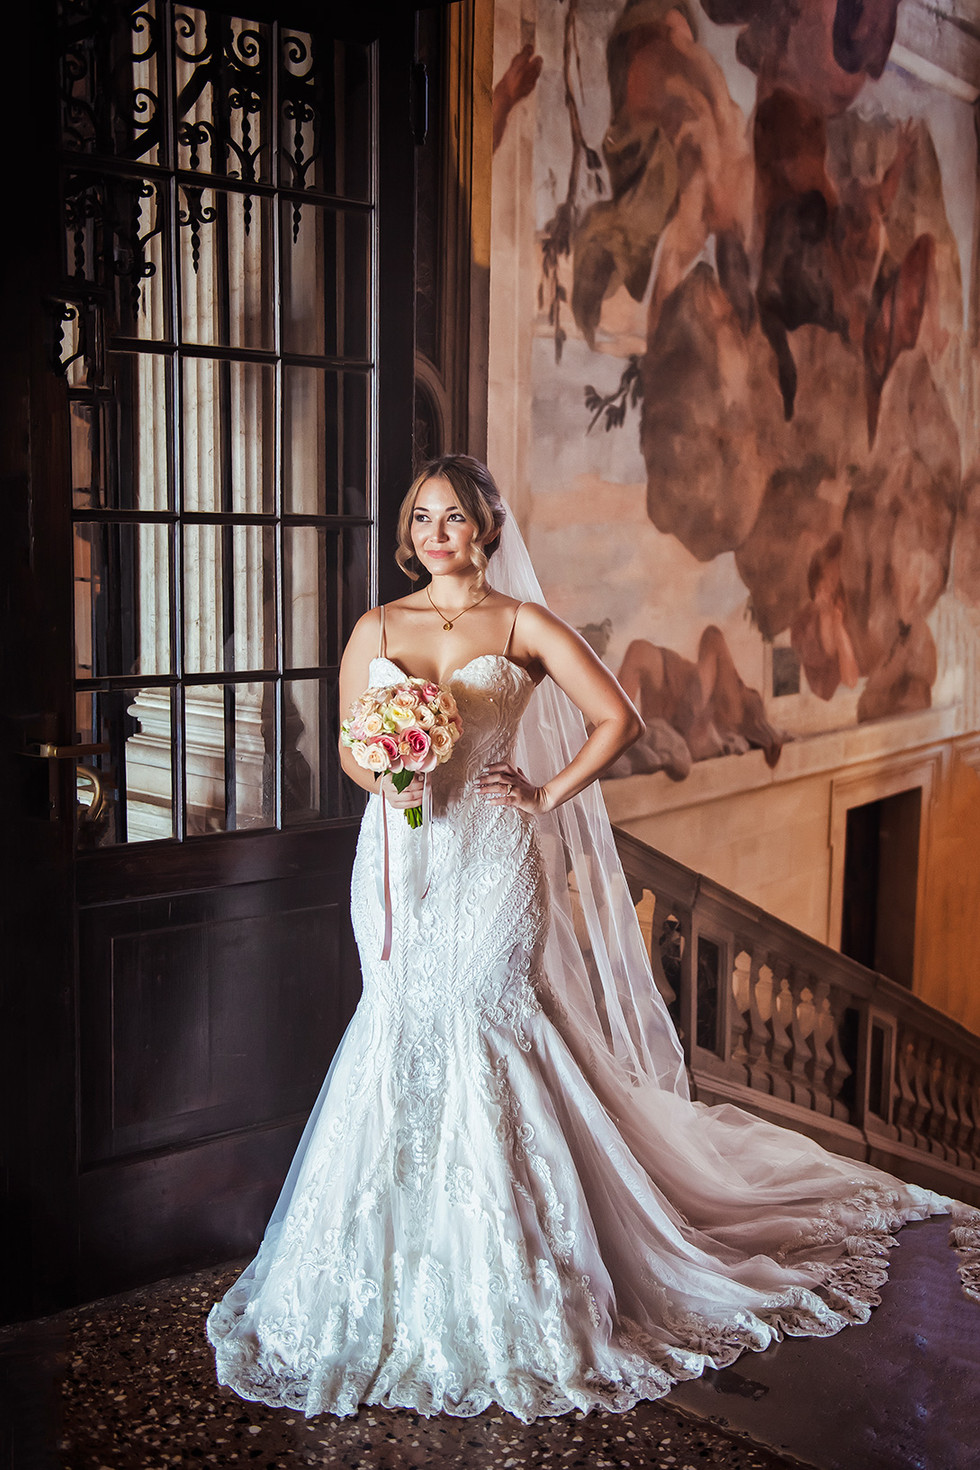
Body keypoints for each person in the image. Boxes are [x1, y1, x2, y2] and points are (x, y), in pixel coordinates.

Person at [207, 455, 971, 1422]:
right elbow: (359, 750)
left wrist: (541, 794)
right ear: (411, 532)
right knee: (399, 1024)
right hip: (401, 863)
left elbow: (620, 716)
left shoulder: (520, 625)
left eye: (455, 517)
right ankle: (396, 1261)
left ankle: (521, 1275)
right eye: (423, 517)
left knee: (488, 1024)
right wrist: (390, 777)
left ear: (486, 529)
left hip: (492, 858)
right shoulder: (378, 629)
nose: (437, 532)